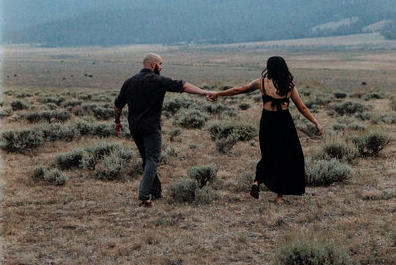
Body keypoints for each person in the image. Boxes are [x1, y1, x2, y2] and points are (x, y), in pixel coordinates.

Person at [207, 55, 322, 204]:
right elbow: (302, 107)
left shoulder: (261, 83)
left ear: (270, 68)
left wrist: (218, 94)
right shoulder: (289, 86)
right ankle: (280, 197)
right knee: (287, 157)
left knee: (268, 154)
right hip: (284, 124)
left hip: (268, 122)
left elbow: (239, 90)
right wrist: (316, 122)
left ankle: (257, 181)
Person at [114, 52, 212, 207]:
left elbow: (118, 104)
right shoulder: (158, 80)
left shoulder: (129, 82)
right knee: (152, 160)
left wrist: (117, 121)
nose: (161, 66)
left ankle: (156, 192)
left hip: (135, 127)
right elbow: (183, 85)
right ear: (152, 65)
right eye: (160, 63)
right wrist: (205, 92)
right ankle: (144, 195)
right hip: (151, 127)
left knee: (147, 160)